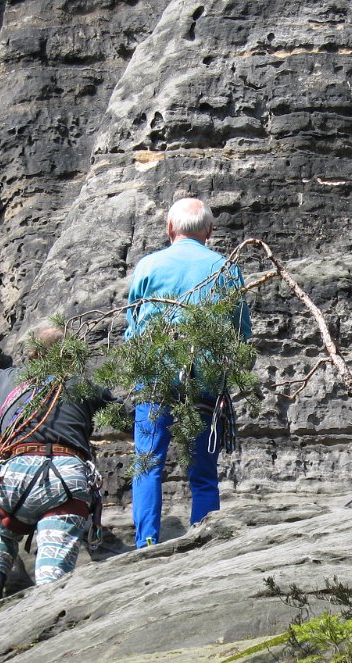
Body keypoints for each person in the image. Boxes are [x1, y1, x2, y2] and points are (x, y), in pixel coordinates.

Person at [124, 197, 251, 547]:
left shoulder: (148, 266)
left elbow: (132, 329)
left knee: (148, 462)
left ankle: (146, 542)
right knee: (204, 473)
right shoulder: (226, 268)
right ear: (209, 231)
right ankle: (203, 540)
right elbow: (240, 332)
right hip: (206, 379)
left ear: (169, 229)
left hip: (155, 378)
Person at [0, 325, 110, 606]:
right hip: (66, 475)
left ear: (33, 354)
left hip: (13, 473)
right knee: (54, 563)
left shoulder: (9, 378)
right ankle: (48, 592)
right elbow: (126, 416)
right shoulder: (83, 386)